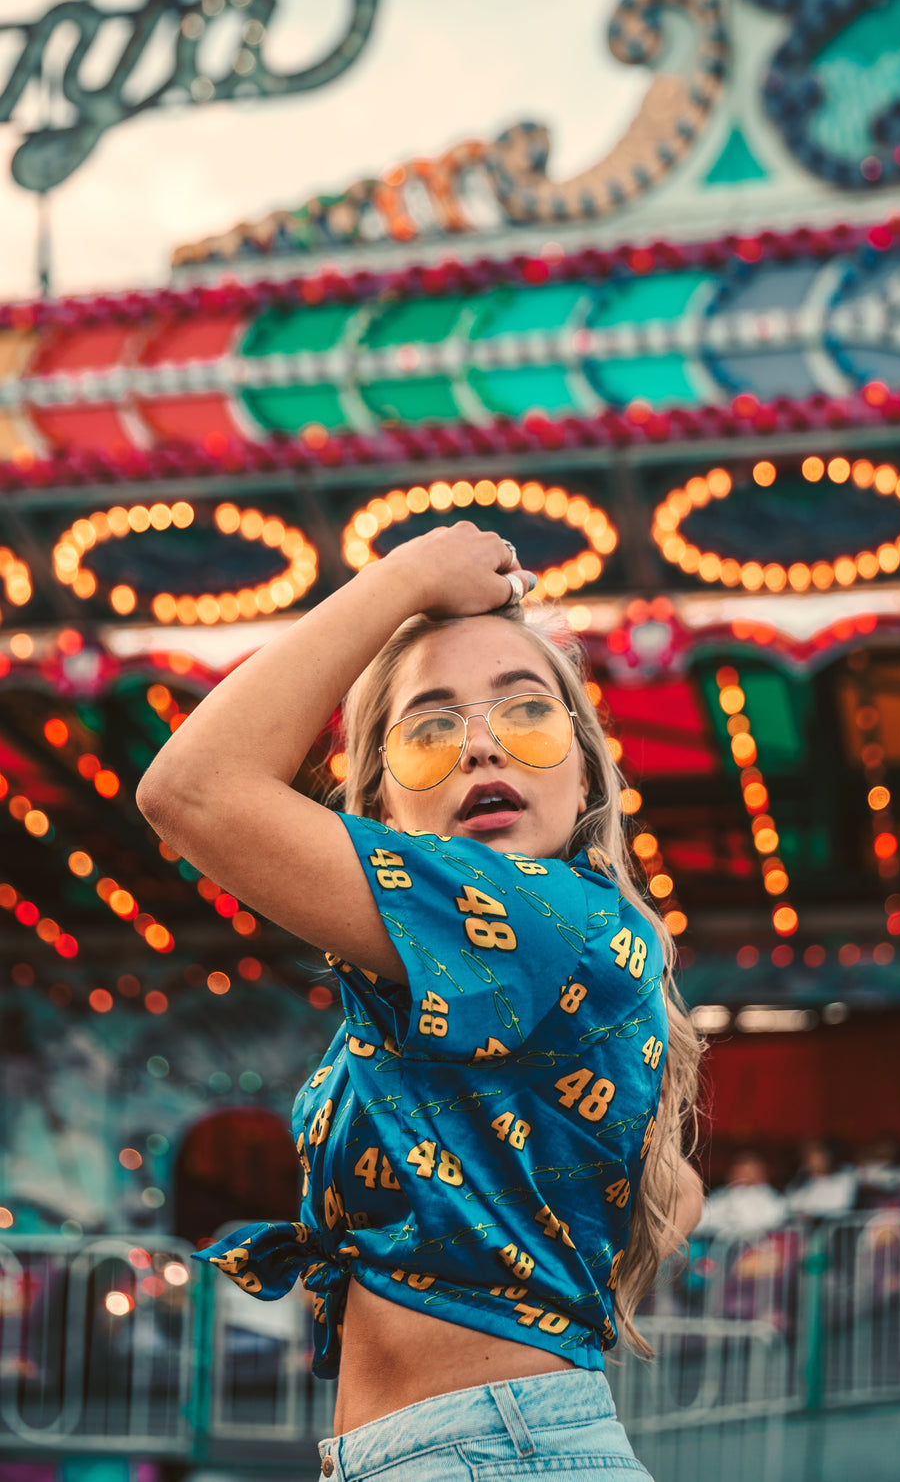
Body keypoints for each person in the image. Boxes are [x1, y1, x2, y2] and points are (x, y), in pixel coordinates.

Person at [137, 521, 704, 1481]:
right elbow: (675, 1192)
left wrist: (403, 578)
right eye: (429, 730)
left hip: (491, 1451)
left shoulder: (544, 918)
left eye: (527, 714)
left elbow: (190, 788)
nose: (482, 745)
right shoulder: (527, 958)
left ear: (585, 771)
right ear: (383, 810)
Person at [694, 1149, 787, 1239]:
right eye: (739, 1172)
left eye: (749, 1172)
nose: (743, 1176)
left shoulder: (771, 1199)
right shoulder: (723, 1196)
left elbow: (773, 1220)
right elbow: (701, 1221)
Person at [784, 1137, 857, 1219]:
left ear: (827, 1157)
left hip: (832, 1225)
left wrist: (813, 1212)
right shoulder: (802, 1180)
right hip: (805, 1226)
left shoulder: (844, 1178)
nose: (810, 1162)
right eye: (807, 1157)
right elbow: (790, 1203)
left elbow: (841, 1205)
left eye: (815, 1157)